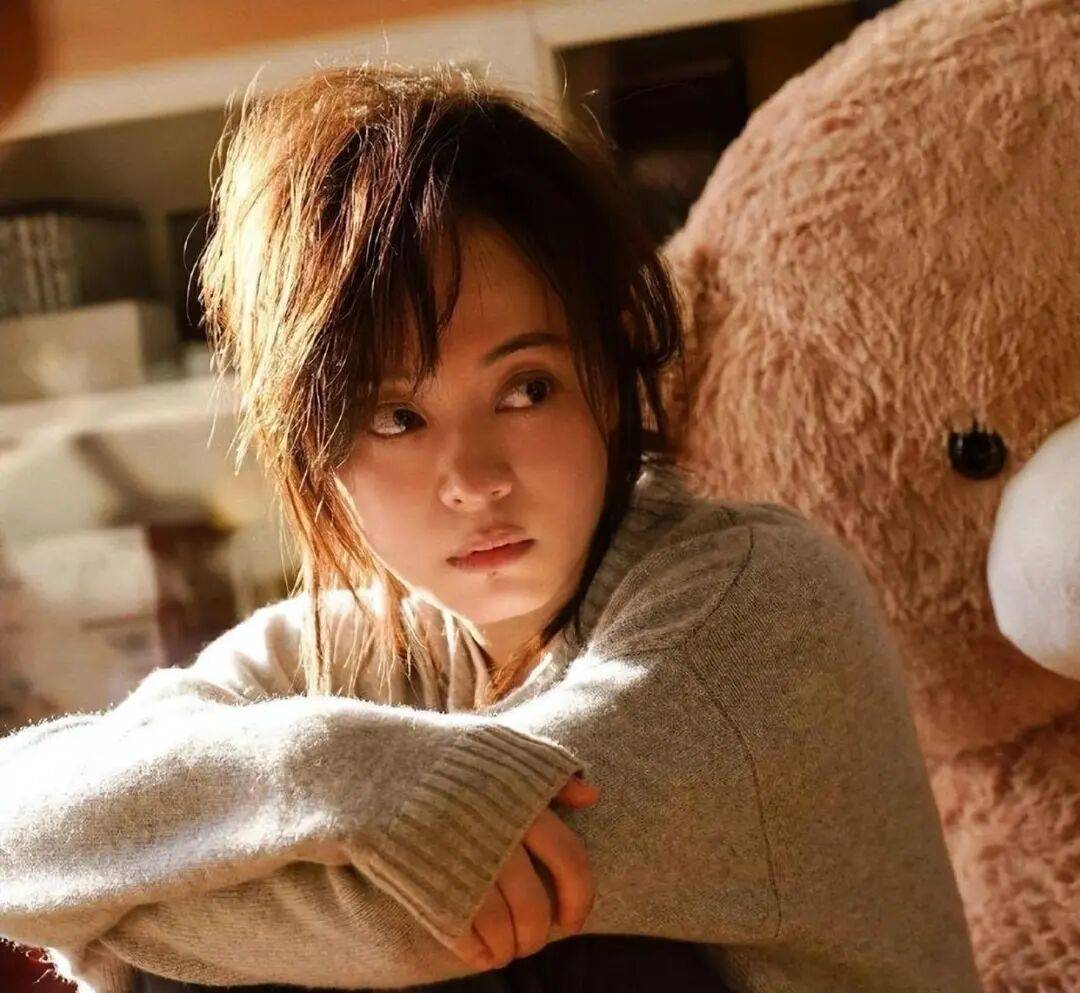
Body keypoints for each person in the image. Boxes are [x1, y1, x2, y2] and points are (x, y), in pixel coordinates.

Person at [0, 62, 982, 993]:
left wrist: (107, 904)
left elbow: (416, 918)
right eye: (397, 417)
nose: (474, 481)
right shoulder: (351, 650)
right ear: (317, 449)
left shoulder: (753, 607)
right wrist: (328, 770)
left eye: (527, 388)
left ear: (608, 378)